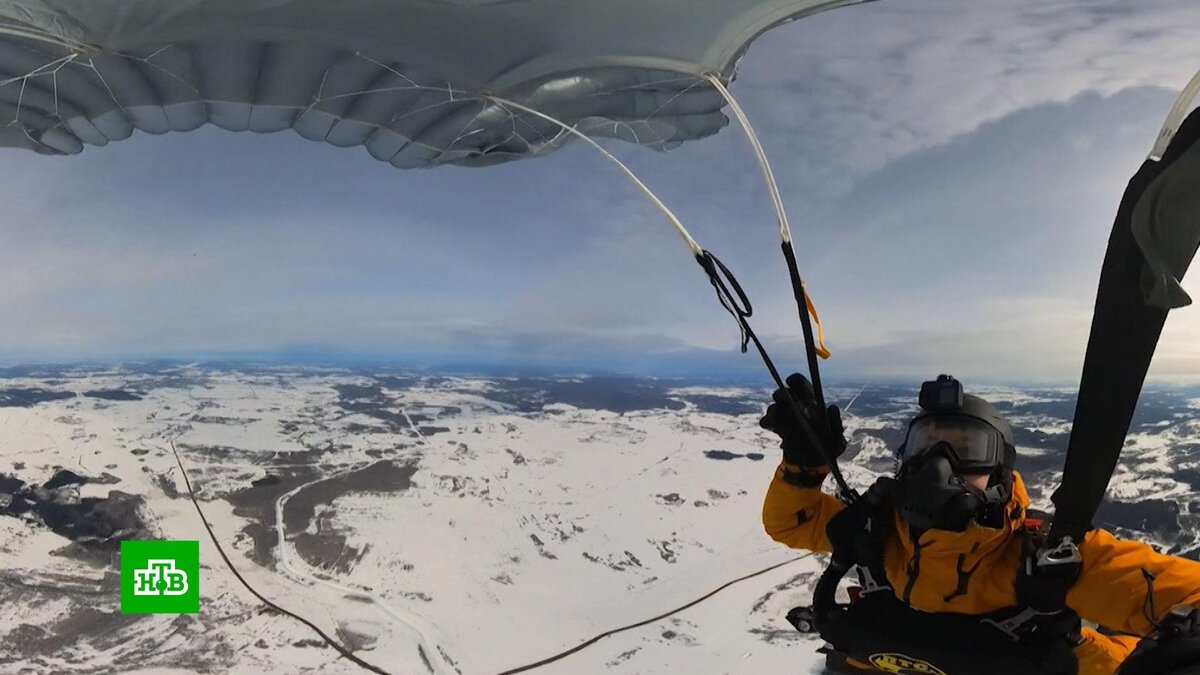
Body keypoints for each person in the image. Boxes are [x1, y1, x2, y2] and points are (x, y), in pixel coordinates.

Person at [760, 373, 1200, 675]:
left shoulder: (1047, 555)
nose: (938, 466)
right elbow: (790, 523)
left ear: (1000, 472)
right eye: (925, 447)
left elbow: (1176, 590)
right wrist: (804, 467)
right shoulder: (878, 530)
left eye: (965, 450)